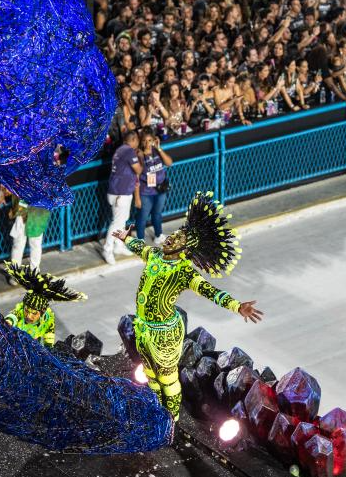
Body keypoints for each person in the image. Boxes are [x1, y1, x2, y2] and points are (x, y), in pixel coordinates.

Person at [112, 192, 263, 418]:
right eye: (173, 235)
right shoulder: (155, 255)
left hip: (164, 335)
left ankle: (171, 420)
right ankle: (156, 413)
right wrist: (126, 239)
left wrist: (237, 306)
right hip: (143, 328)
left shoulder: (184, 273)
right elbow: (140, 248)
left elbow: (210, 291)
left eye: (178, 239)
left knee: (167, 379)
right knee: (151, 376)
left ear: (184, 250)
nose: (170, 238)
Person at [0, 263, 86, 347]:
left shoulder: (48, 319)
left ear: (42, 312)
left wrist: (49, 350)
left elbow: (49, 338)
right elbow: (13, 316)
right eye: (27, 311)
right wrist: (7, 322)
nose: (29, 316)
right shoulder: (20, 310)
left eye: (34, 313)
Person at [103, 131, 142, 264]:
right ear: (134, 140)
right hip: (121, 192)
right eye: (138, 140)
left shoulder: (120, 149)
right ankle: (107, 249)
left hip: (118, 191)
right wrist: (139, 156)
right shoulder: (129, 151)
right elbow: (138, 170)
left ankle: (118, 245)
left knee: (121, 221)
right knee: (117, 223)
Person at [0, 187, 50, 269]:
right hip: (22, 212)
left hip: (37, 213)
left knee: (35, 244)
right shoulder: (20, 179)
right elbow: (6, 188)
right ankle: (16, 271)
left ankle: (34, 271)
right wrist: (1, 195)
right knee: (19, 244)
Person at [134, 131, 173, 246]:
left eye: (150, 140)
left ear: (154, 141)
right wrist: (137, 197)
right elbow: (136, 178)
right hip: (146, 192)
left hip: (160, 190)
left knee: (157, 213)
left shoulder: (157, 151)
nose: (147, 143)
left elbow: (169, 163)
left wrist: (159, 148)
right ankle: (140, 240)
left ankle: (158, 235)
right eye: (144, 141)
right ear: (141, 142)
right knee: (143, 216)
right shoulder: (139, 155)